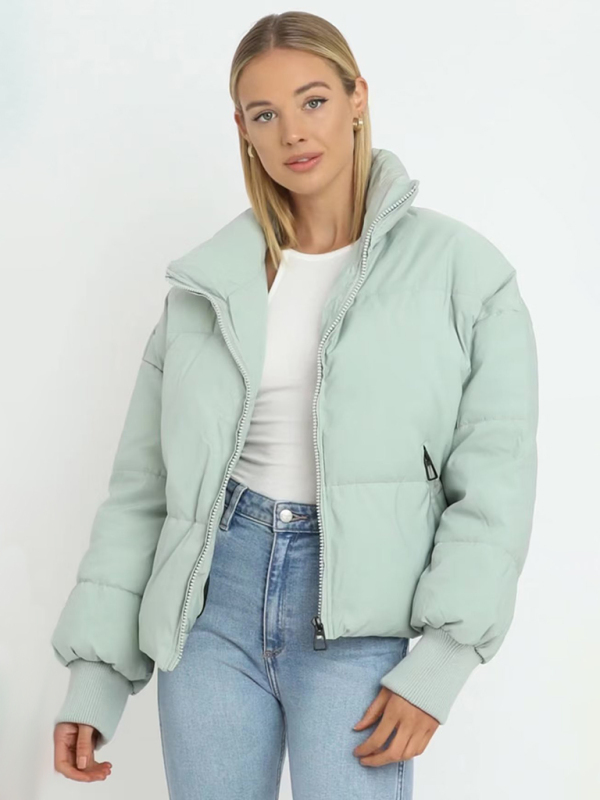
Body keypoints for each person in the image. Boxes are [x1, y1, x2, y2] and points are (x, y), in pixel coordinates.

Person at [51, 11, 539, 799]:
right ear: (242, 129)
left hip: (358, 623)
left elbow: (496, 482)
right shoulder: (208, 287)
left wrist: (444, 660)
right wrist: (97, 673)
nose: (293, 133)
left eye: (313, 100)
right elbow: (144, 490)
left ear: (357, 97)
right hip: (211, 611)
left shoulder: (464, 274)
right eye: (264, 114)